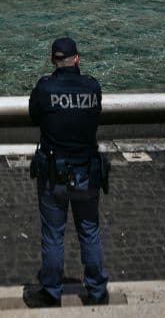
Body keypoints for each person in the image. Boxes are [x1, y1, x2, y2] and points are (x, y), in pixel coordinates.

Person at [24, 38, 109, 308]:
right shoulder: (92, 87)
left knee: (53, 235)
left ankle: (51, 291)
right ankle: (96, 289)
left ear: (53, 61)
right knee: (89, 230)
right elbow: (95, 115)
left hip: (55, 172)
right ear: (77, 59)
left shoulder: (45, 88)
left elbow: (34, 116)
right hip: (87, 170)